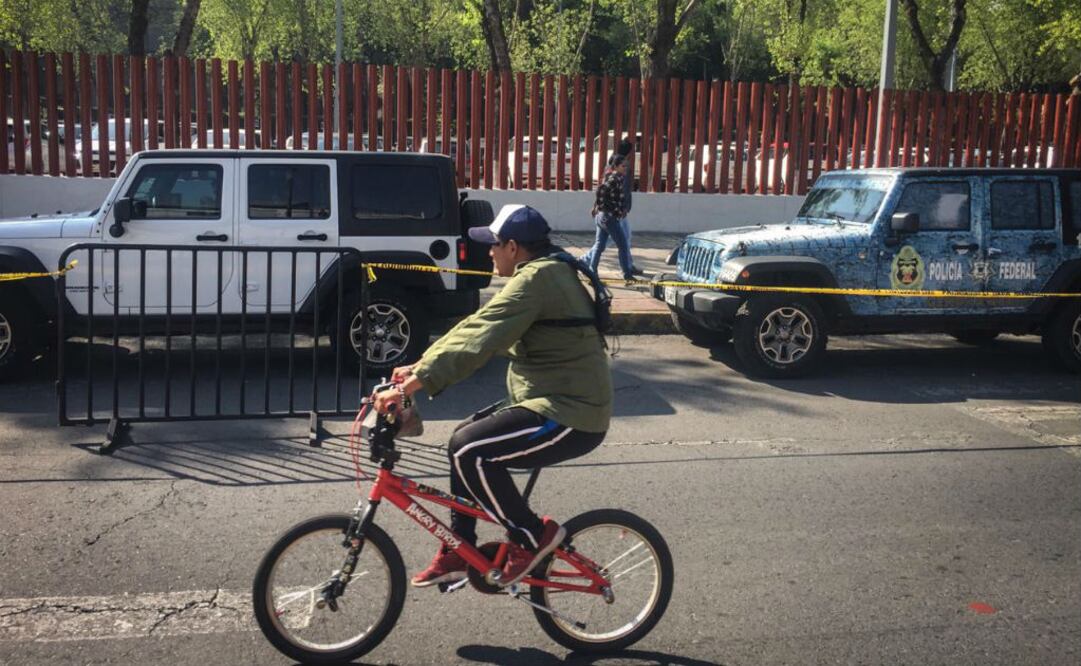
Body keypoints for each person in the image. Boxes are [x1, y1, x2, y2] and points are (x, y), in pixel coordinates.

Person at [372, 204, 613, 589]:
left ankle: (533, 536)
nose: (489, 252)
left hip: (573, 413)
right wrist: (419, 366)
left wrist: (411, 385)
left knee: (472, 450)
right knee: (461, 438)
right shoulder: (544, 270)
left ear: (514, 247)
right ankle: (459, 546)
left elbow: (483, 338)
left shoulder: (539, 279)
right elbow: (475, 325)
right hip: (547, 397)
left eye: (494, 245)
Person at [581, 153, 638, 281]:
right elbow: (601, 191)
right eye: (623, 166)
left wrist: (597, 207)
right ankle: (627, 274)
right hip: (609, 218)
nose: (626, 168)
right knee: (623, 246)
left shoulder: (613, 177)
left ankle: (592, 272)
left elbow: (604, 194)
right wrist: (610, 208)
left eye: (626, 166)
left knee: (600, 245)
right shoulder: (614, 179)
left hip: (603, 217)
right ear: (616, 166)